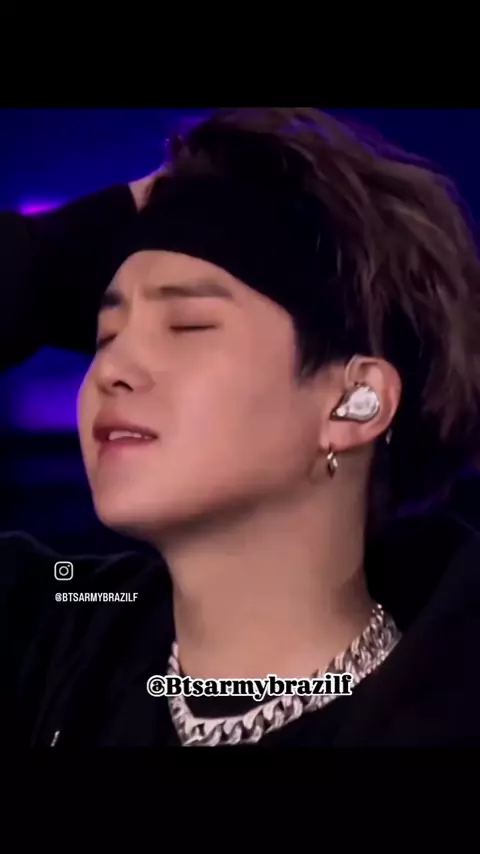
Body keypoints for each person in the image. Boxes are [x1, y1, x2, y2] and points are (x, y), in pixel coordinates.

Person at [2, 107, 480, 748]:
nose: (111, 369)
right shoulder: (49, 645)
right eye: (105, 335)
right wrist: (43, 261)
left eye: (188, 326)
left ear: (355, 401)